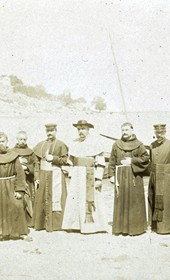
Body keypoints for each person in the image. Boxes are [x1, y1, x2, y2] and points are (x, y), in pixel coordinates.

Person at [62, 120, 107, 234]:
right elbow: (71, 161)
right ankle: (75, 225)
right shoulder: (74, 143)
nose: (80, 131)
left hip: (89, 174)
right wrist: (69, 172)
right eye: (79, 129)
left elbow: (100, 162)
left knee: (90, 199)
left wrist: (98, 179)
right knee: (75, 199)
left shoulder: (96, 142)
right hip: (77, 176)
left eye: (83, 128)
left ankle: (92, 226)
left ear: (88, 130)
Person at [108, 122, 149, 236]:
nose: (124, 132)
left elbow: (145, 159)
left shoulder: (139, 145)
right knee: (120, 200)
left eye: (127, 130)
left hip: (134, 176)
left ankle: (136, 229)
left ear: (132, 130)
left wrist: (132, 161)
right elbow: (112, 160)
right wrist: (111, 175)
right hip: (120, 176)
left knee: (134, 201)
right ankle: (120, 228)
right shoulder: (116, 144)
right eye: (123, 130)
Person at [32, 123, 68, 232]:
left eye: (52, 130)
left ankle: (56, 225)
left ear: (56, 131)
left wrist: (54, 158)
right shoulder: (40, 145)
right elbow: (36, 162)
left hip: (55, 173)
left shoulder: (61, 144)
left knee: (56, 197)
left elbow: (64, 160)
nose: (49, 133)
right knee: (41, 197)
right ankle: (41, 224)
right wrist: (37, 176)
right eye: (47, 131)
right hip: (43, 174)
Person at [0, 132, 29, 240]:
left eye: (2, 141)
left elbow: (20, 175)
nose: (0, 144)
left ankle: (19, 232)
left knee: (17, 206)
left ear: (7, 142)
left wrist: (20, 190)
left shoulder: (13, 156)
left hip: (11, 186)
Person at [11, 131, 39, 226]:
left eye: (24, 139)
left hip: (28, 180)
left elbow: (35, 165)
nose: (22, 141)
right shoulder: (11, 152)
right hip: (16, 180)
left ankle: (29, 222)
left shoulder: (31, 152)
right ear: (17, 139)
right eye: (20, 139)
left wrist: (27, 168)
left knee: (28, 199)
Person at [148, 124, 170, 234]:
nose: (159, 135)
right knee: (152, 198)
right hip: (153, 176)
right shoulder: (152, 145)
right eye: (157, 133)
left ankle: (165, 228)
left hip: (166, 178)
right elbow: (150, 162)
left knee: (165, 202)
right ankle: (154, 226)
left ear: (165, 132)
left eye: (161, 132)